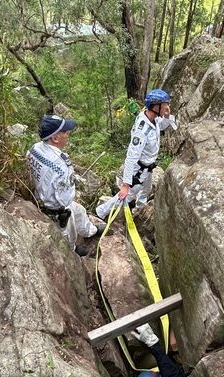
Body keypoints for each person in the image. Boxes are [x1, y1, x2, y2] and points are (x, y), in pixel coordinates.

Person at [26, 114, 105, 256]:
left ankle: (90, 230)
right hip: (56, 209)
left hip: (38, 196)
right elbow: (65, 199)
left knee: (79, 210)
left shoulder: (35, 148)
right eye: (65, 132)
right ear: (55, 138)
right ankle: (73, 249)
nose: (68, 134)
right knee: (68, 232)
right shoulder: (62, 165)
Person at [96, 89, 177, 220]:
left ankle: (140, 209)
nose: (167, 107)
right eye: (165, 104)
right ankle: (100, 212)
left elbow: (161, 126)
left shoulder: (154, 119)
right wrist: (126, 184)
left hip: (149, 166)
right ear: (155, 106)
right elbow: (131, 156)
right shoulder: (142, 130)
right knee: (127, 195)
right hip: (139, 169)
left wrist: (167, 116)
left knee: (146, 189)